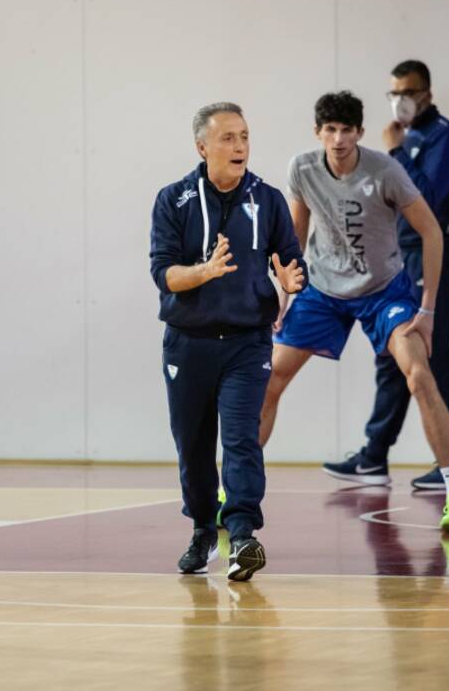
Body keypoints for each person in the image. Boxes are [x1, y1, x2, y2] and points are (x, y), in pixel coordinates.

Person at [259, 91, 449, 534]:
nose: (338, 139)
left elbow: (432, 232)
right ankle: (236, 489)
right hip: (323, 290)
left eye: (346, 130)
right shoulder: (302, 168)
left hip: (384, 291)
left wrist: (429, 308)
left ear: (359, 132)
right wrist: (285, 290)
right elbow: (297, 232)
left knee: (418, 373)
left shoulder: (386, 171)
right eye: (330, 130)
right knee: (269, 378)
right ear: (317, 133)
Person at [150, 102, 306, 581]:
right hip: (188, 344)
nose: (239, 146)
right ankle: (202, 527)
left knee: (241, 439)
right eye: (227, 138)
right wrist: (203, 272)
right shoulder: (172, 199)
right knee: (193, 447)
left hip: (247, 343)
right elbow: (163, 274)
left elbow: (294, 264)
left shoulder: (270, 199)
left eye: (244, 136)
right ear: (202, 146)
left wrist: (290, 280)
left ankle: (242, 535)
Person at [323, 61, 449, 490]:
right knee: (392, 355)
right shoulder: (402, 135)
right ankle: (374, 455)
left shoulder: (443, 136)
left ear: (426, 93)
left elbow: (429, 199)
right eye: (394, 92)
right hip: (397, 258)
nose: (400, 100)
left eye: (407, 92)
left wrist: (394, 153)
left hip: (433, 255)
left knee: (435, 350)